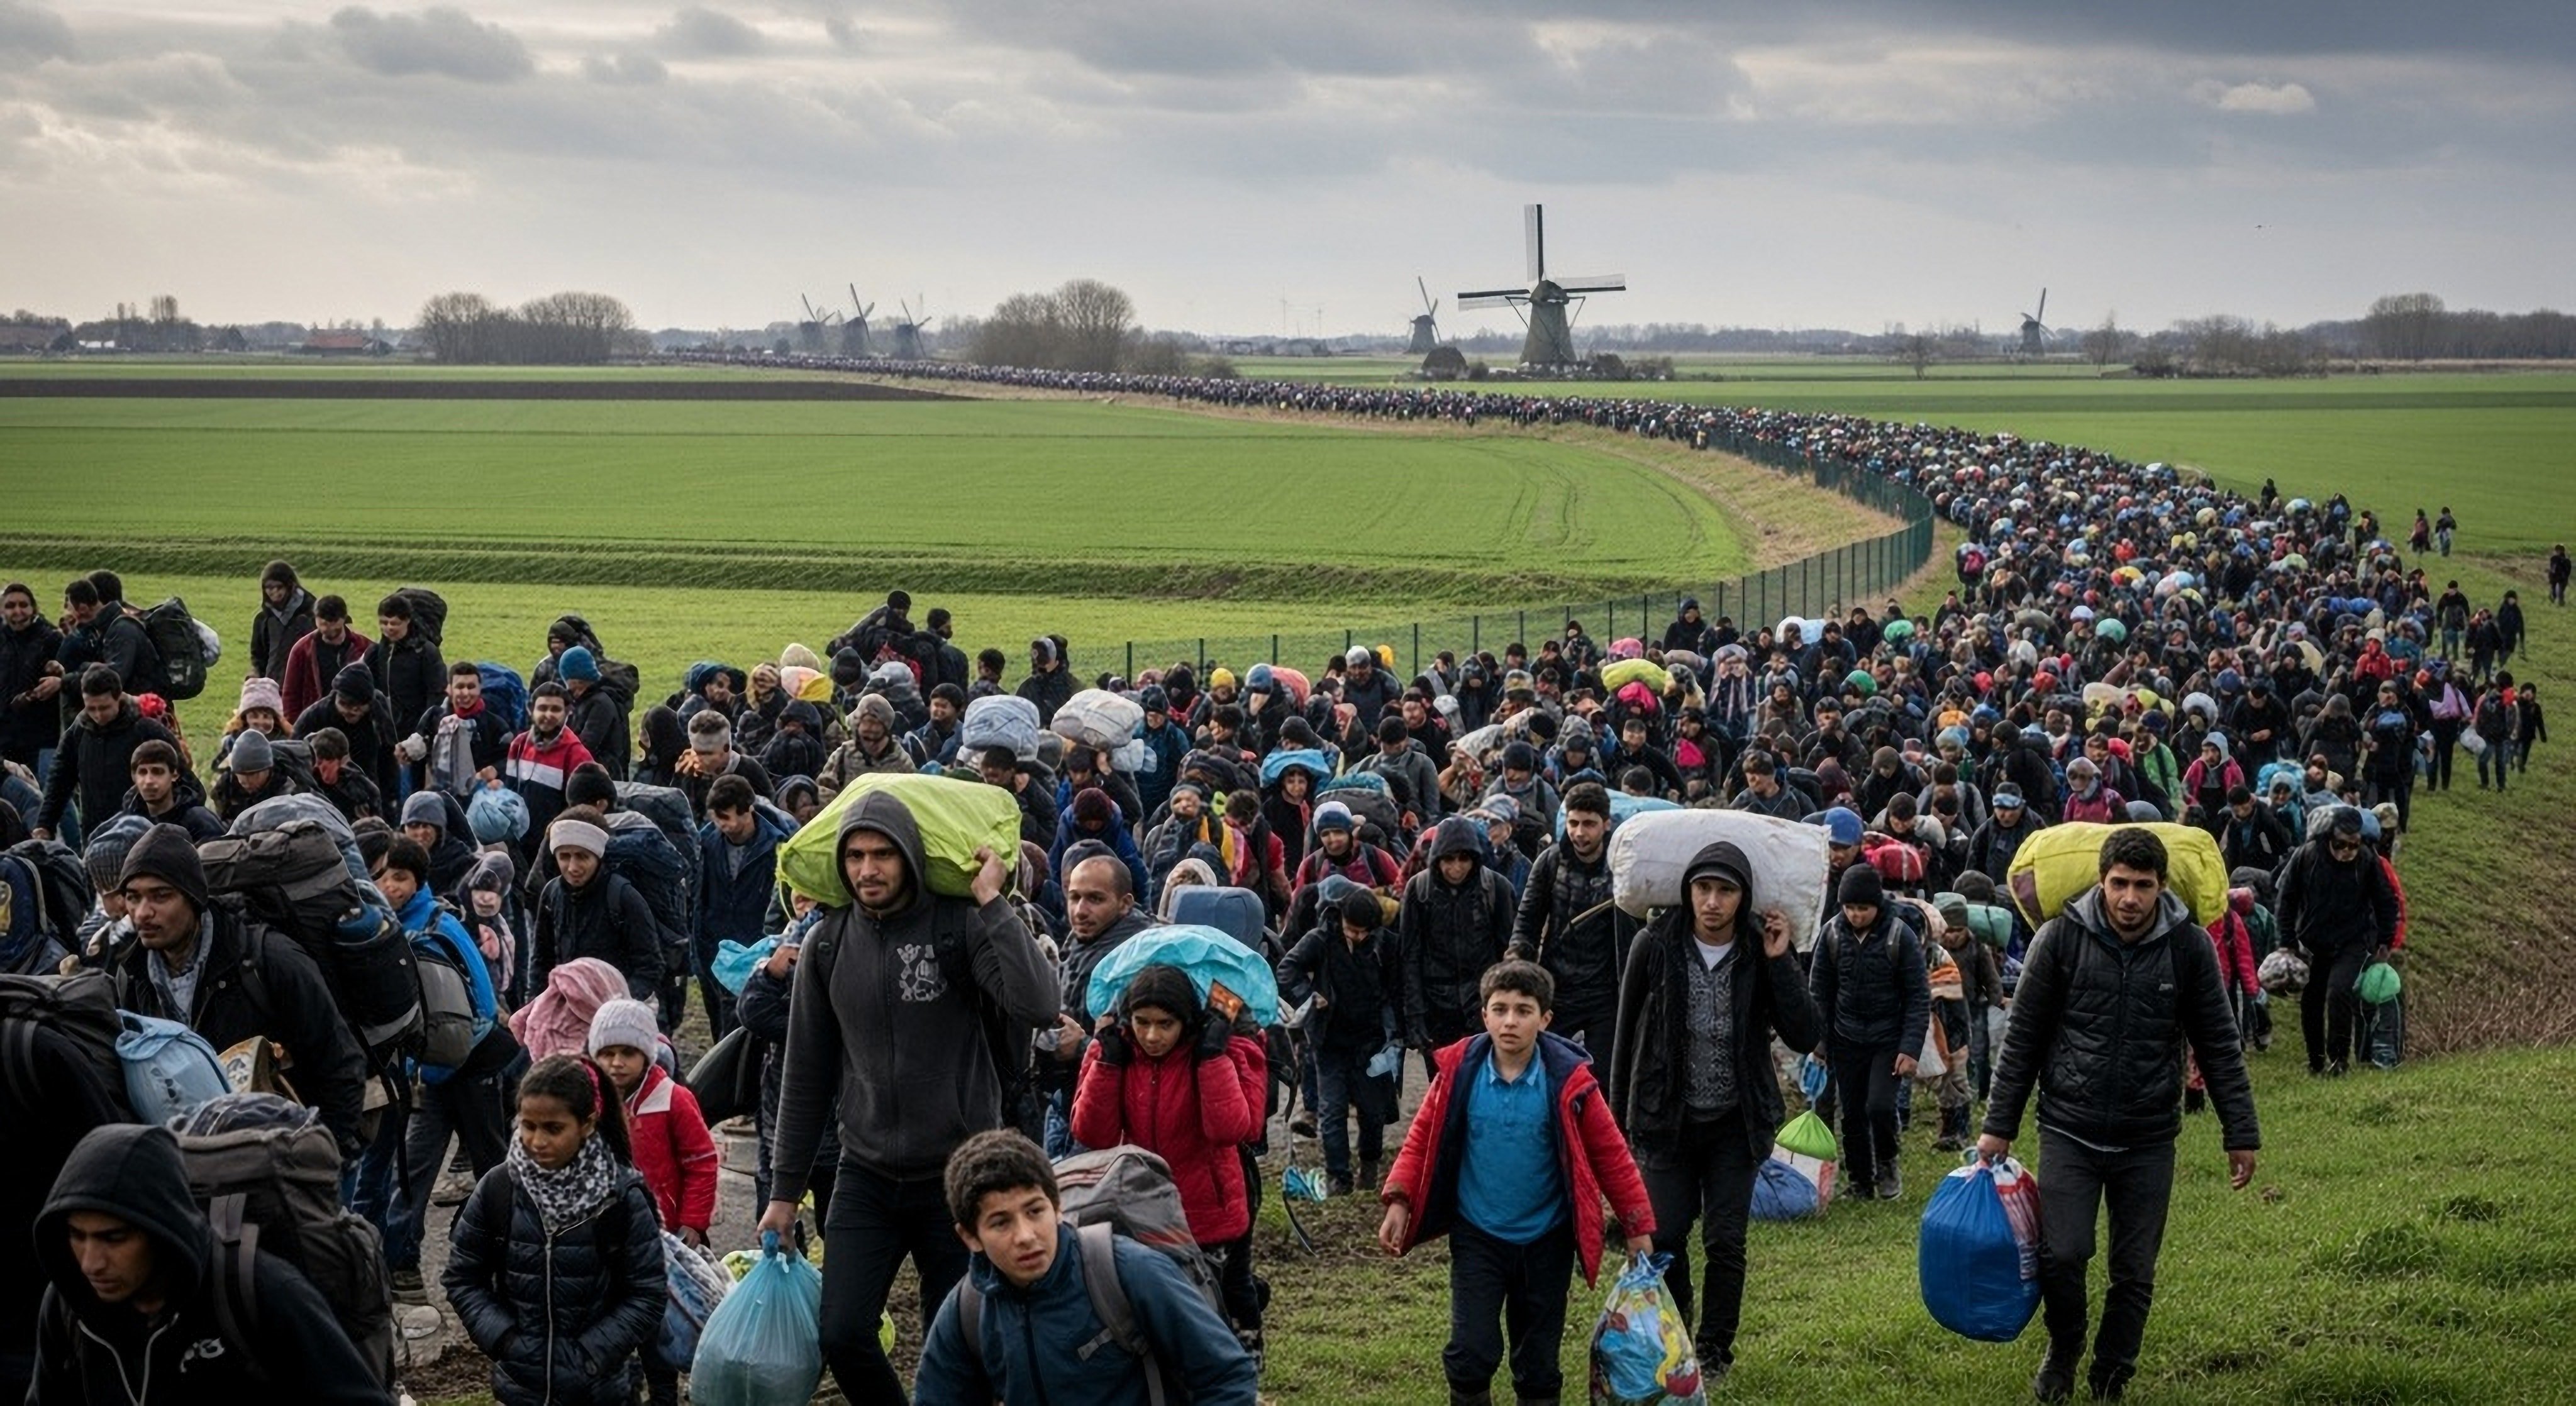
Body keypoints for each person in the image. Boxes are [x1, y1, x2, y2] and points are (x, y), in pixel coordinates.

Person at [757, 790, 1059, 1404]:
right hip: (864, 1172)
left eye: (883, 854)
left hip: (958, 1176)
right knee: (841, 1333)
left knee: (961, 1349)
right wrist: (784, 1193)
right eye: (857, 856)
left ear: (910, 858)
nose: (868, 870)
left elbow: (1040, 1004)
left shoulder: (961, 926)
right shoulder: (828, 943)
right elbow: (806, 1071)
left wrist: (992, 901)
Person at [1978, 828, 2259, 1402]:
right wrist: (1997, 1127)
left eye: (2143, 886)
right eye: (2119, 884)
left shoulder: (2189, 948)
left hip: (2149, 1136)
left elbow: (2218, 1043)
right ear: (2101, 882)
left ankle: (2113, 1373)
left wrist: (2241, 1132)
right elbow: (2024, 1038)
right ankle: (2064, 1349)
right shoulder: (2059, 939)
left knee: (2134, 1270)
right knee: (2063, 1254)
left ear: (2161, 888)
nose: (2130, 898)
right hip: (2068, 1129)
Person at [1378, 960, 1658, 1406]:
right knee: (1470, 1352)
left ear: (1545, 1019)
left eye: (1524, 1010)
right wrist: (1399, 1199)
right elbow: (1420, 1140)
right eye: (1500, 1008)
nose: (1511, 1021)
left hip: (1547, 1240)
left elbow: (1612, 1156)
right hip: (1478, 1237)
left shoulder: (1570, 1083)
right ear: (1484, 1014)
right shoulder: (1458, 1075)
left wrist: (1637, 1225)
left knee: (1539, 1364)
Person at [1605, 841, 1816, 1383]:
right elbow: (1625, 1034)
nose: (1713, 902)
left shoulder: (1756, 948)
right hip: (1664, 1120)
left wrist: (1781, 962)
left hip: (1736, 1122)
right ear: (1688, 891)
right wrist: (1617, 1124)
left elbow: (1805, 1032)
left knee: (1726, 1240)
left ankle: (1716, 1349)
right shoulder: (1655, 945)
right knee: (1667, 1237)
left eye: (1726, 890)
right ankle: (1678, 1340)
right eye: (1704, 889)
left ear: (1743, 898)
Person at [29, 1122, 394, 1405]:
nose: (91, 1263)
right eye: (78, 1236)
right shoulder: (68, 1305)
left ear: (159, 1230)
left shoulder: (256, 1289)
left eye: (114, 1238)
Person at [911, 1129, 1258, 1406]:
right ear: (970, 1236)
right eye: (1001, 1223)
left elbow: (1226, 1374)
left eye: (1035, 1211)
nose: (1026, 1236)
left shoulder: (1127, 1271)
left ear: (1057, 1207)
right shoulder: (968, 1311)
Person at [106, 822, 369, 1153]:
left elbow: (339, 1062)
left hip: (281, 1159)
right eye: (133, 897)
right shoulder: (131, 976)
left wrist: (323, 1158)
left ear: (194, 899)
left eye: (161, 895)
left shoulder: (268, 960)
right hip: (192, 1162)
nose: (143, 913)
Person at [445, 1053, 667, 1406]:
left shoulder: (620, 1198)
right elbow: (462, 1278)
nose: (537, 1141)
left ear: (588, 1124)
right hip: (519, 1391)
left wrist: (590, 1356)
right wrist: (505, 1341)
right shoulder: (498, 1189)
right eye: (528, 1125)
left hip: (599, 1393)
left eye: (553, 1129)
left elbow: (648, 1294)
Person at [1070, 963, 1269, 1350]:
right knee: (1159, 1311)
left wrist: (1212, 1059)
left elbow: (1232, 1129)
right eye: (1142, 1022)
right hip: (1141, 1211)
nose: (1152, 1036)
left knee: (1228, 1298)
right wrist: (1108, 1063)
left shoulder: (1228, 1049)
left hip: (1212, 1211)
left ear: (1187, 1021)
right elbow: (1093, 1133)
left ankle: (1243, 1377)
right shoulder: (1114, 1052)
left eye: (1165, 1024)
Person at [588, 998, 716, 1406]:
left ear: (647, 1052)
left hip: (669, 1240)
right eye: (607, 1053)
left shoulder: (673, 1100)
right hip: (609, 1239)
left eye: (628, 1052)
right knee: (616, 1321)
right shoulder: (590, 1104)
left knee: (661, 1327)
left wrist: (693, 1223)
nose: (617, 1063)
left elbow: (701, 1161)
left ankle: (664, 1395)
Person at [1807, 864, 1930, 1200]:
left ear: (1877, 905)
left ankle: (1888, 1163)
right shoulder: (1832, 935)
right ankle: (1861, 1180)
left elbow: (1918, 995)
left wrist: (1911, 1048)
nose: (1856, 915)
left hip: (1888, 1039)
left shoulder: (1899, 936)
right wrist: (1819, 1043)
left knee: (1878, 1106)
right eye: (1850, 908)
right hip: (1845, 1038)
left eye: (1863, 908)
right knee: (1852, 1113)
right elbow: (1820, 992)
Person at [1277, 887, 1404, 1196]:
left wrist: (1399, 1035)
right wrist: (1308, 998)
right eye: (1351, 930)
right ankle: (1339, 1178)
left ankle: (1370, 1168)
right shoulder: (1321, 939)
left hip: (1373, 1044)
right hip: (1329, 1043)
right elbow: (1286, 969)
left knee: (1373, 1113)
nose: (1357, 937)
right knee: (1331, 1112)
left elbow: (1399, 990)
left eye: (1364, 932)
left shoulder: (1387, 946)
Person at [1505, 782, 1636, 1051]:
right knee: (1552, 1069)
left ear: (1606, 824)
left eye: (1589, 824)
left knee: (1604, 1079)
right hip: (1558, 987)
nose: (1579, 833)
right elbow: (1528, 919)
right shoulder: (1550, 862)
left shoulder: (1624, 867)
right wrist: (1519, 958)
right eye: (1573, 823)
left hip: (1606, 993)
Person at [2273, 807, 2399, 1077]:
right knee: (2311, 1000)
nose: (2346, 852)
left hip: (2352, 941)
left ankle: (2339, 1059)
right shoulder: (2307, 856)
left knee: (2339, 992)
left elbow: (2387, 901)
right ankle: (2315, 1060)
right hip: (2313, 940)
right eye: (2340, 845)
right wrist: (2287, 941)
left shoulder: (2367, 860)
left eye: (2353, 846)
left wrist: (2384, 941)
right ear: (2330, 837)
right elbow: (2287, 899)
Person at [531, 809, 666, 1002]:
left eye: (582, 857)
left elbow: (650, 965)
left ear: (598, 856)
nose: (573, 867)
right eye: (564, 857)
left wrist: (620, 1004)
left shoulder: (623, 897)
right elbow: (541, 960)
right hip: (565, 1010)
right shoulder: (551, 895)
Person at [32, 665, 177, 843]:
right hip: (95, 835)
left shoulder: (146, 731)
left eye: (104, 708)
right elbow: (60, 778)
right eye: (91, 709)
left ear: (119, 698)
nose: (98, 715)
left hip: (143, 835)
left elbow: (182, 778)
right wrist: (45, 825)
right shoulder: (80, 731)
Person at [278, 594, 371, 724]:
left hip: (356, 722)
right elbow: (291, 695)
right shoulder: (302, 650)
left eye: (333, 623)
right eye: (323, 623)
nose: (328, 629)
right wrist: (295, 727)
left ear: (344, 619)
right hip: (316, 723)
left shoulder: (365, 647)